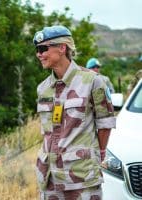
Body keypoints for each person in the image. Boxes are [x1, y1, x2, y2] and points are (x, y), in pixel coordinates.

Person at [33, 25, 116, 199]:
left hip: (82, 179)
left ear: (62, 48)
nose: (39, 54)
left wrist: (96, 157)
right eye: (37, 50)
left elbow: (105, 124)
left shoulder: (93, 81)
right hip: (49, 179)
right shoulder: (43, 89)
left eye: (43, 49)